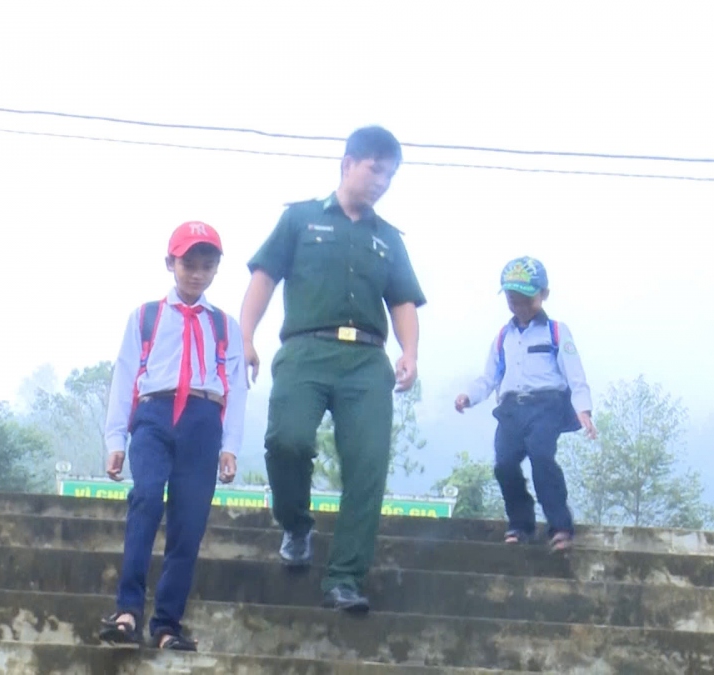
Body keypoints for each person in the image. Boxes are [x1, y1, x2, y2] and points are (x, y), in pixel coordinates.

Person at [239, 125, 426, 613]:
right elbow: (264, 278)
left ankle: (345, 577)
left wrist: (409, 352)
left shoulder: (388, 238)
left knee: (367, 464)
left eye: (390, 174)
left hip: (366, 361)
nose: (383, 181)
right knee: (287, 441)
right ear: (348, 164)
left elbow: (403, 299)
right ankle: (297, 523)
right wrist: (245, 337)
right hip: (305, 351)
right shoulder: (299, 219)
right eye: (375, 170)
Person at [98, 221, 247, 650]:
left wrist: (230, 446)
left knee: (189, 521)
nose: (196, 273)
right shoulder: (145, 316)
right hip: (154, 414)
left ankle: (166, 625)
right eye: (188, 264)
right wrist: (115, 441)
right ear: (170, 263)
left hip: (203, 420)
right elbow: (125, 374)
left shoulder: (224, 326)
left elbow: (236, 390)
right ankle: (127, 611)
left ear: (216, 270)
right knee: (145, 499)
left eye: (206, 265)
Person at [454, 256, 597, 552]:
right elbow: (489, 378)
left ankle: (560, 527)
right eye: (512, 299)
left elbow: (575, 373)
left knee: (541, 457)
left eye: (526, 299)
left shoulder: (557, 332)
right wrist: (469, 396)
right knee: (504, 464)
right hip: (511, 409)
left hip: (546, 406)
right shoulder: (503, 337)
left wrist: (583, 409)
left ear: (543, 294)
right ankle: (520, 524)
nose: (519, 306)